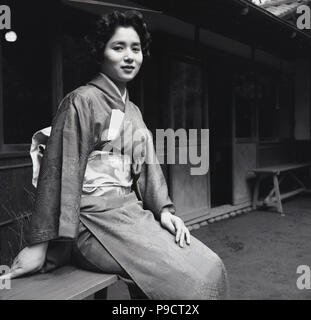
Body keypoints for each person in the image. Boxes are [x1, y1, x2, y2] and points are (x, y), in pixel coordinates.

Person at [2, 10, 228, 299]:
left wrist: (165, 211)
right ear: (101, 53)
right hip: (90, 222)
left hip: (131, 215)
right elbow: (61, 173)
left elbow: (148, 168)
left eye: (135, 48)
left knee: (211, 266)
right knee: (186, 282)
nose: (129, 56)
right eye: (118, 47)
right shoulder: (80, 101)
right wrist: (40, 244)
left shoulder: (133, 111)